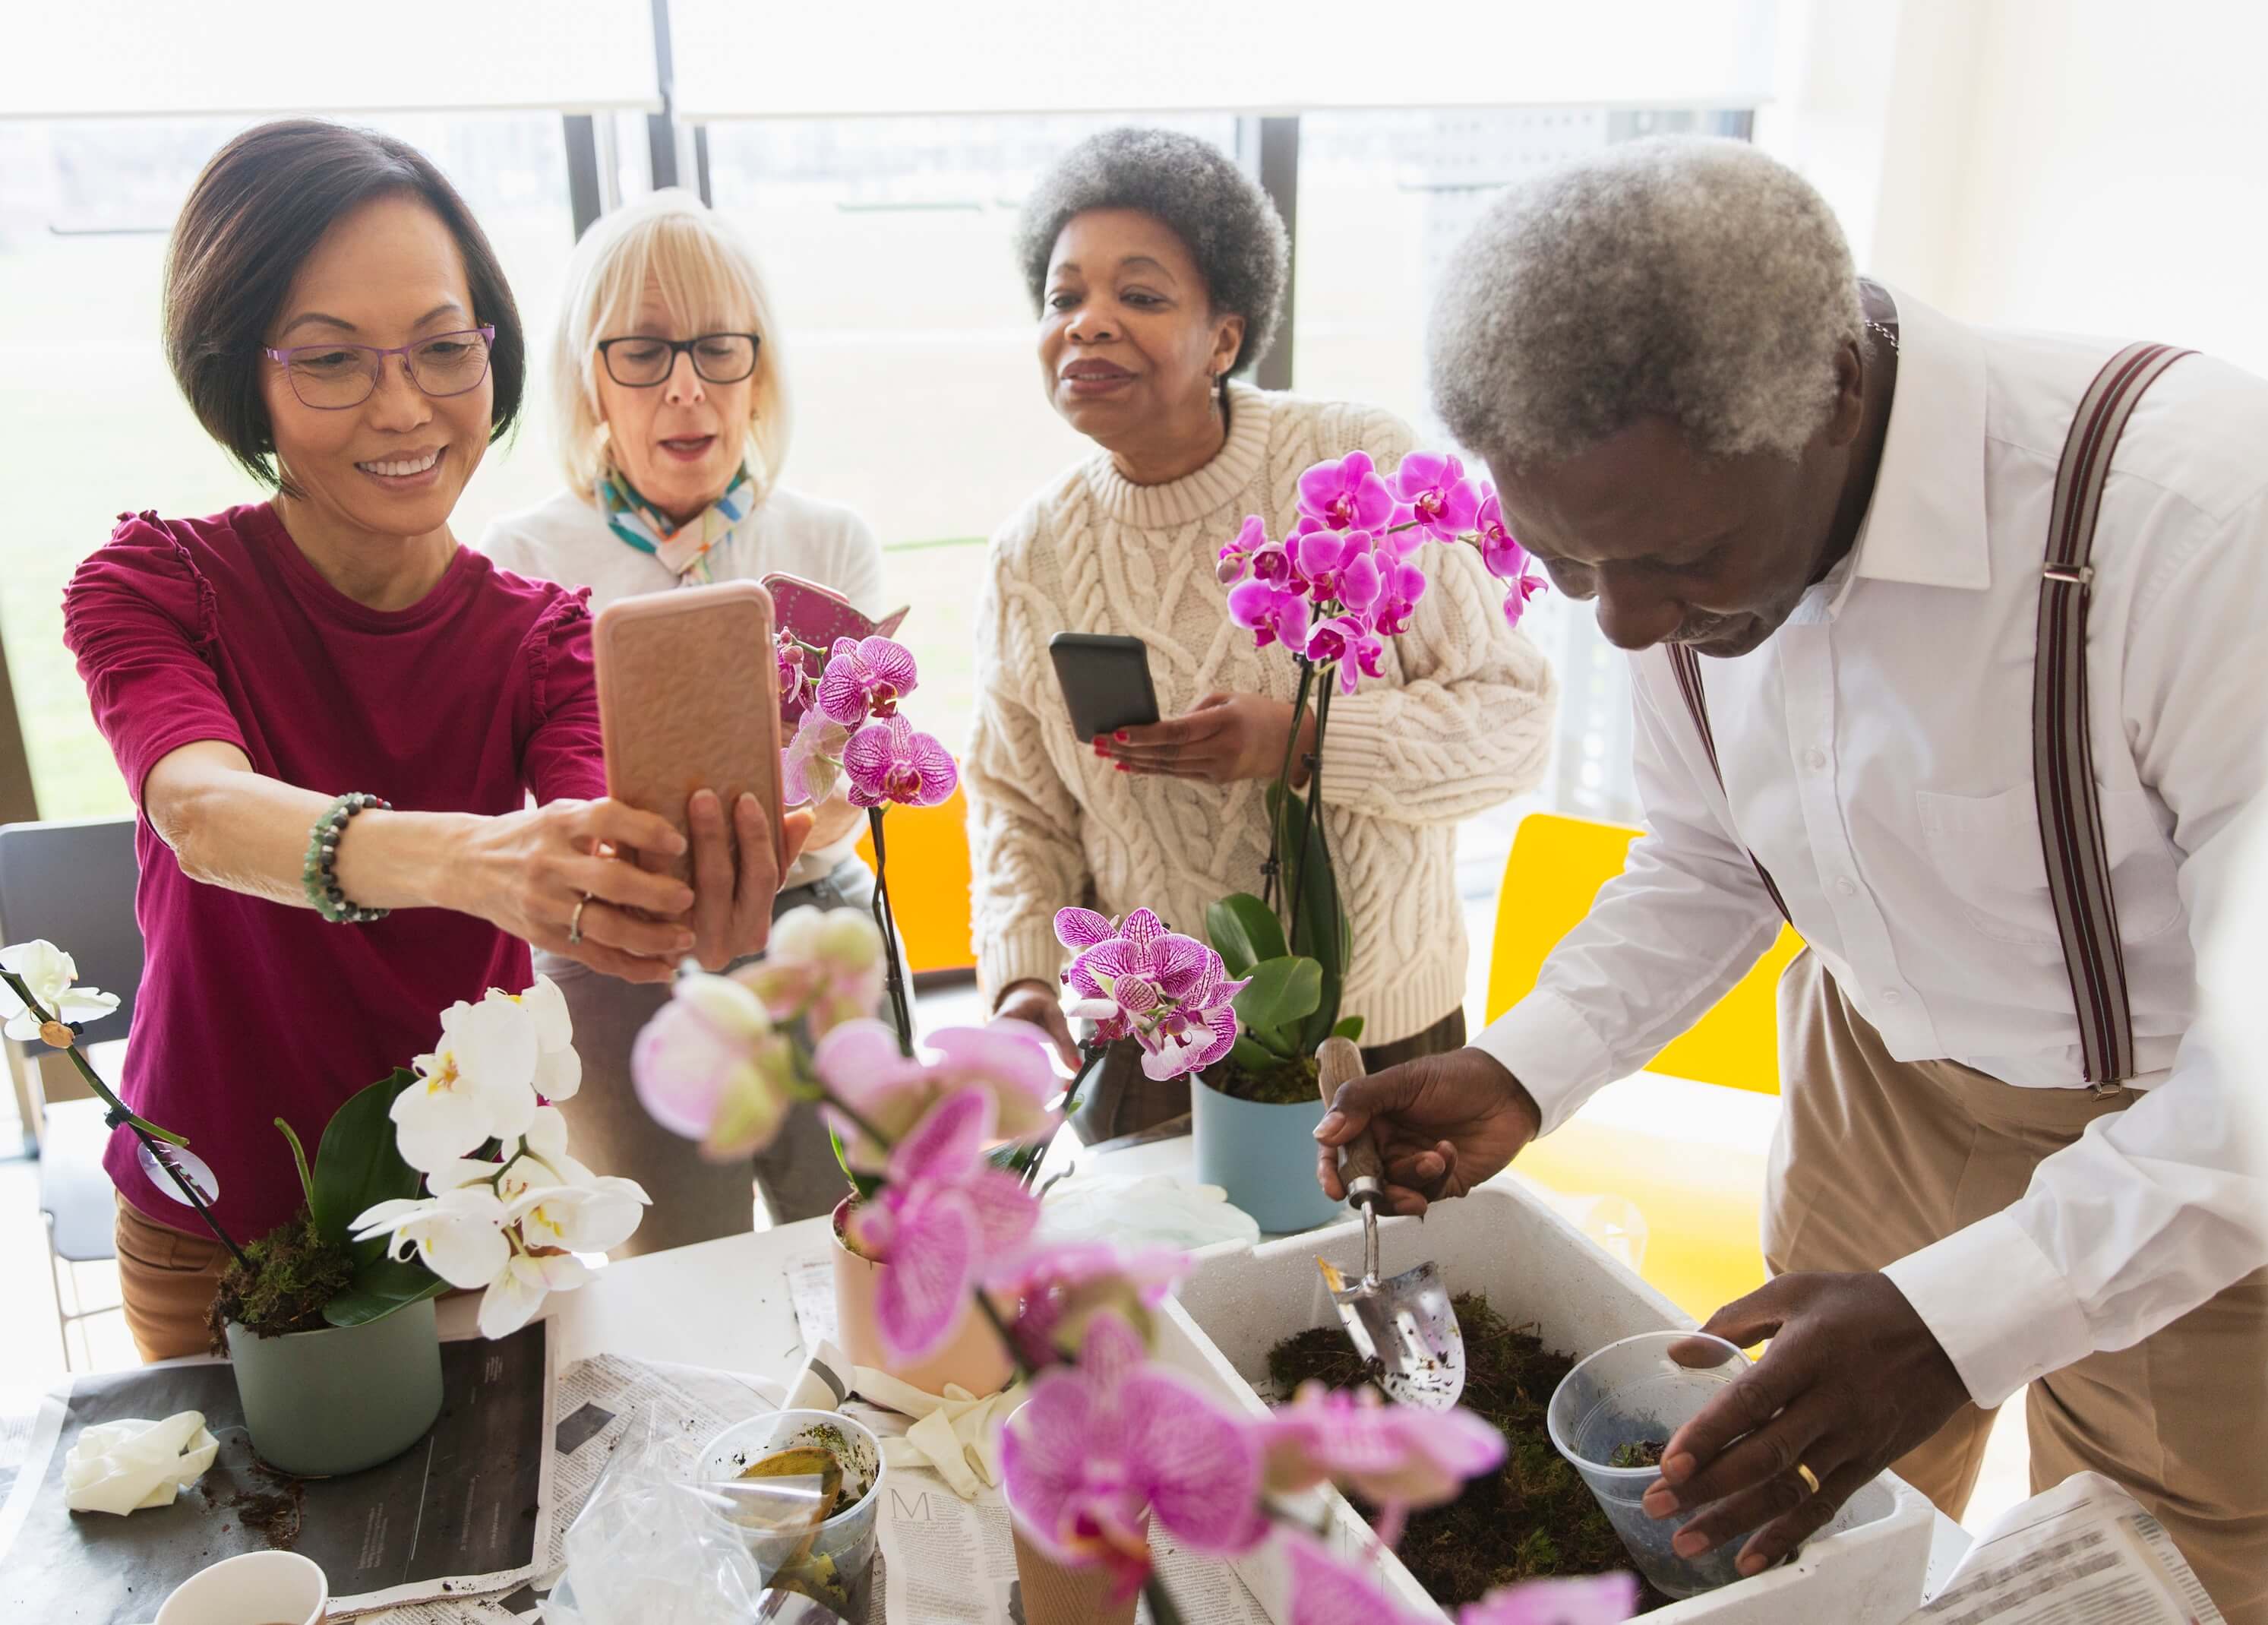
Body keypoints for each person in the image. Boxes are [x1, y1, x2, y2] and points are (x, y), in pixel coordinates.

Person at [1315, 136, 2268, 1622]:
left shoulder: (2200, 522)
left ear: (1833, 390)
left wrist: (1957, 1317)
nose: (1628, 628)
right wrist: (1525, 1064)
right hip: (1877, 1087)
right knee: (1816, 1531)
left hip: (2186, 1135)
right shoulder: (1654, 539)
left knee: (2167, 1571)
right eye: (1573, 571)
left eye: (1675, 558)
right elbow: (1711, 855)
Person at [64, 122, 797, 1361]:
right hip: (215, 1224)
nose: (405, 408)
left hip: (484, 1208)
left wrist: (678, 895)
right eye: (333, 361)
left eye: (445, 349)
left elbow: (597, 862)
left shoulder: (551, 639)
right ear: (246, 375)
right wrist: (471, 863)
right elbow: (197, 810)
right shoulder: (155, 586)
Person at [968, 128, 1553, 1142]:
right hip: (1150, 1052)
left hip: (1380, 1045)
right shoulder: (1032, 554)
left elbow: (1514, 725)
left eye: (1139, 296)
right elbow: (1019, 807)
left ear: (1227, 338)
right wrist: (1022, 977)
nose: (1089, 324)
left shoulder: (1355, 463)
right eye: (1065, 298)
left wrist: (1303, 740)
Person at [482, 189, 889, 1243]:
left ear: (761, 371)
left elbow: (856, 791)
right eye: (644, 352)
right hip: (617, 952)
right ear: (588, 377)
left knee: (864, 1235)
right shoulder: (521, 563)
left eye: (719, 348)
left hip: (811, 919)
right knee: (677, 1268)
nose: (686, 389)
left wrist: (818, 811)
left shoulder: (832, 540)